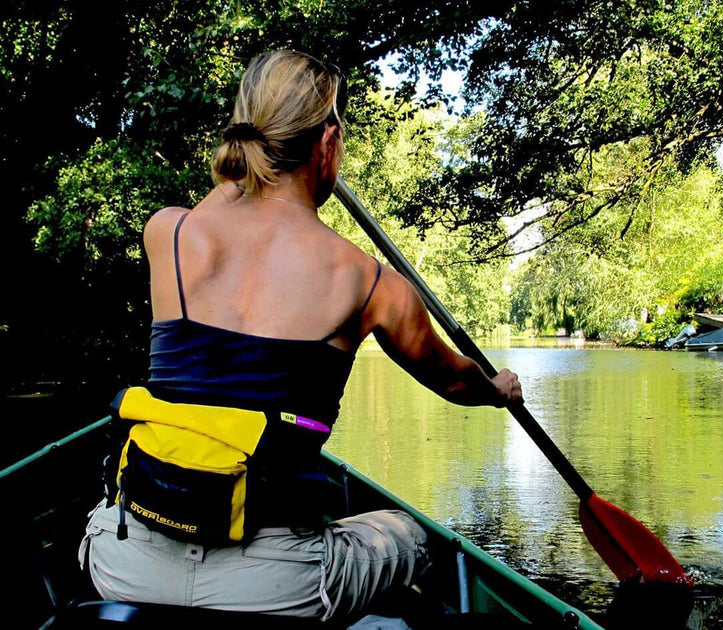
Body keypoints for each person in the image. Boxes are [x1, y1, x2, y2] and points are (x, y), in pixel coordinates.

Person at [79, 49, 522, 623]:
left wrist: (244, 169)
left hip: (129, 564)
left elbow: (226, 204)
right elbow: (457, 382)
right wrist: (499, 388)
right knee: (407, 536)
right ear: (329, 141)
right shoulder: (371, 285)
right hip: (273, 586)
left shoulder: (170, 232)